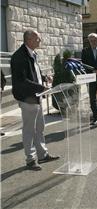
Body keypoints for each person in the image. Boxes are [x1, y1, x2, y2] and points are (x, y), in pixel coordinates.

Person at [11, 30, 59, 170]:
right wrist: (41, 87)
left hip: (36, 97)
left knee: (39, 128)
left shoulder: (31, 53)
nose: (40, 41)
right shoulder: (19, 57)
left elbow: (34, 73)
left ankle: (42, 155)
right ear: (29, 39)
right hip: (27, 99)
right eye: (38, 39)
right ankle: (31, 160)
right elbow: (22, 81)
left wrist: (44, 78)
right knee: (29, 130)